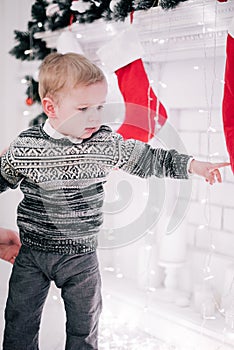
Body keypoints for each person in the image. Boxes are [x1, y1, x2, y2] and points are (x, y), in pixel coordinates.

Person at [0, 52, 229, 350]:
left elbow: (148, 159)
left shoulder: (104, 143)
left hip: (81, 258)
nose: (95, 117)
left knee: (85, 325)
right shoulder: (26, 147)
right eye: (83, 108)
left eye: (99, 107)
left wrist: (192, 165)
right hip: (32, 254)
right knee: (20, 321)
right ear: (51, 107)